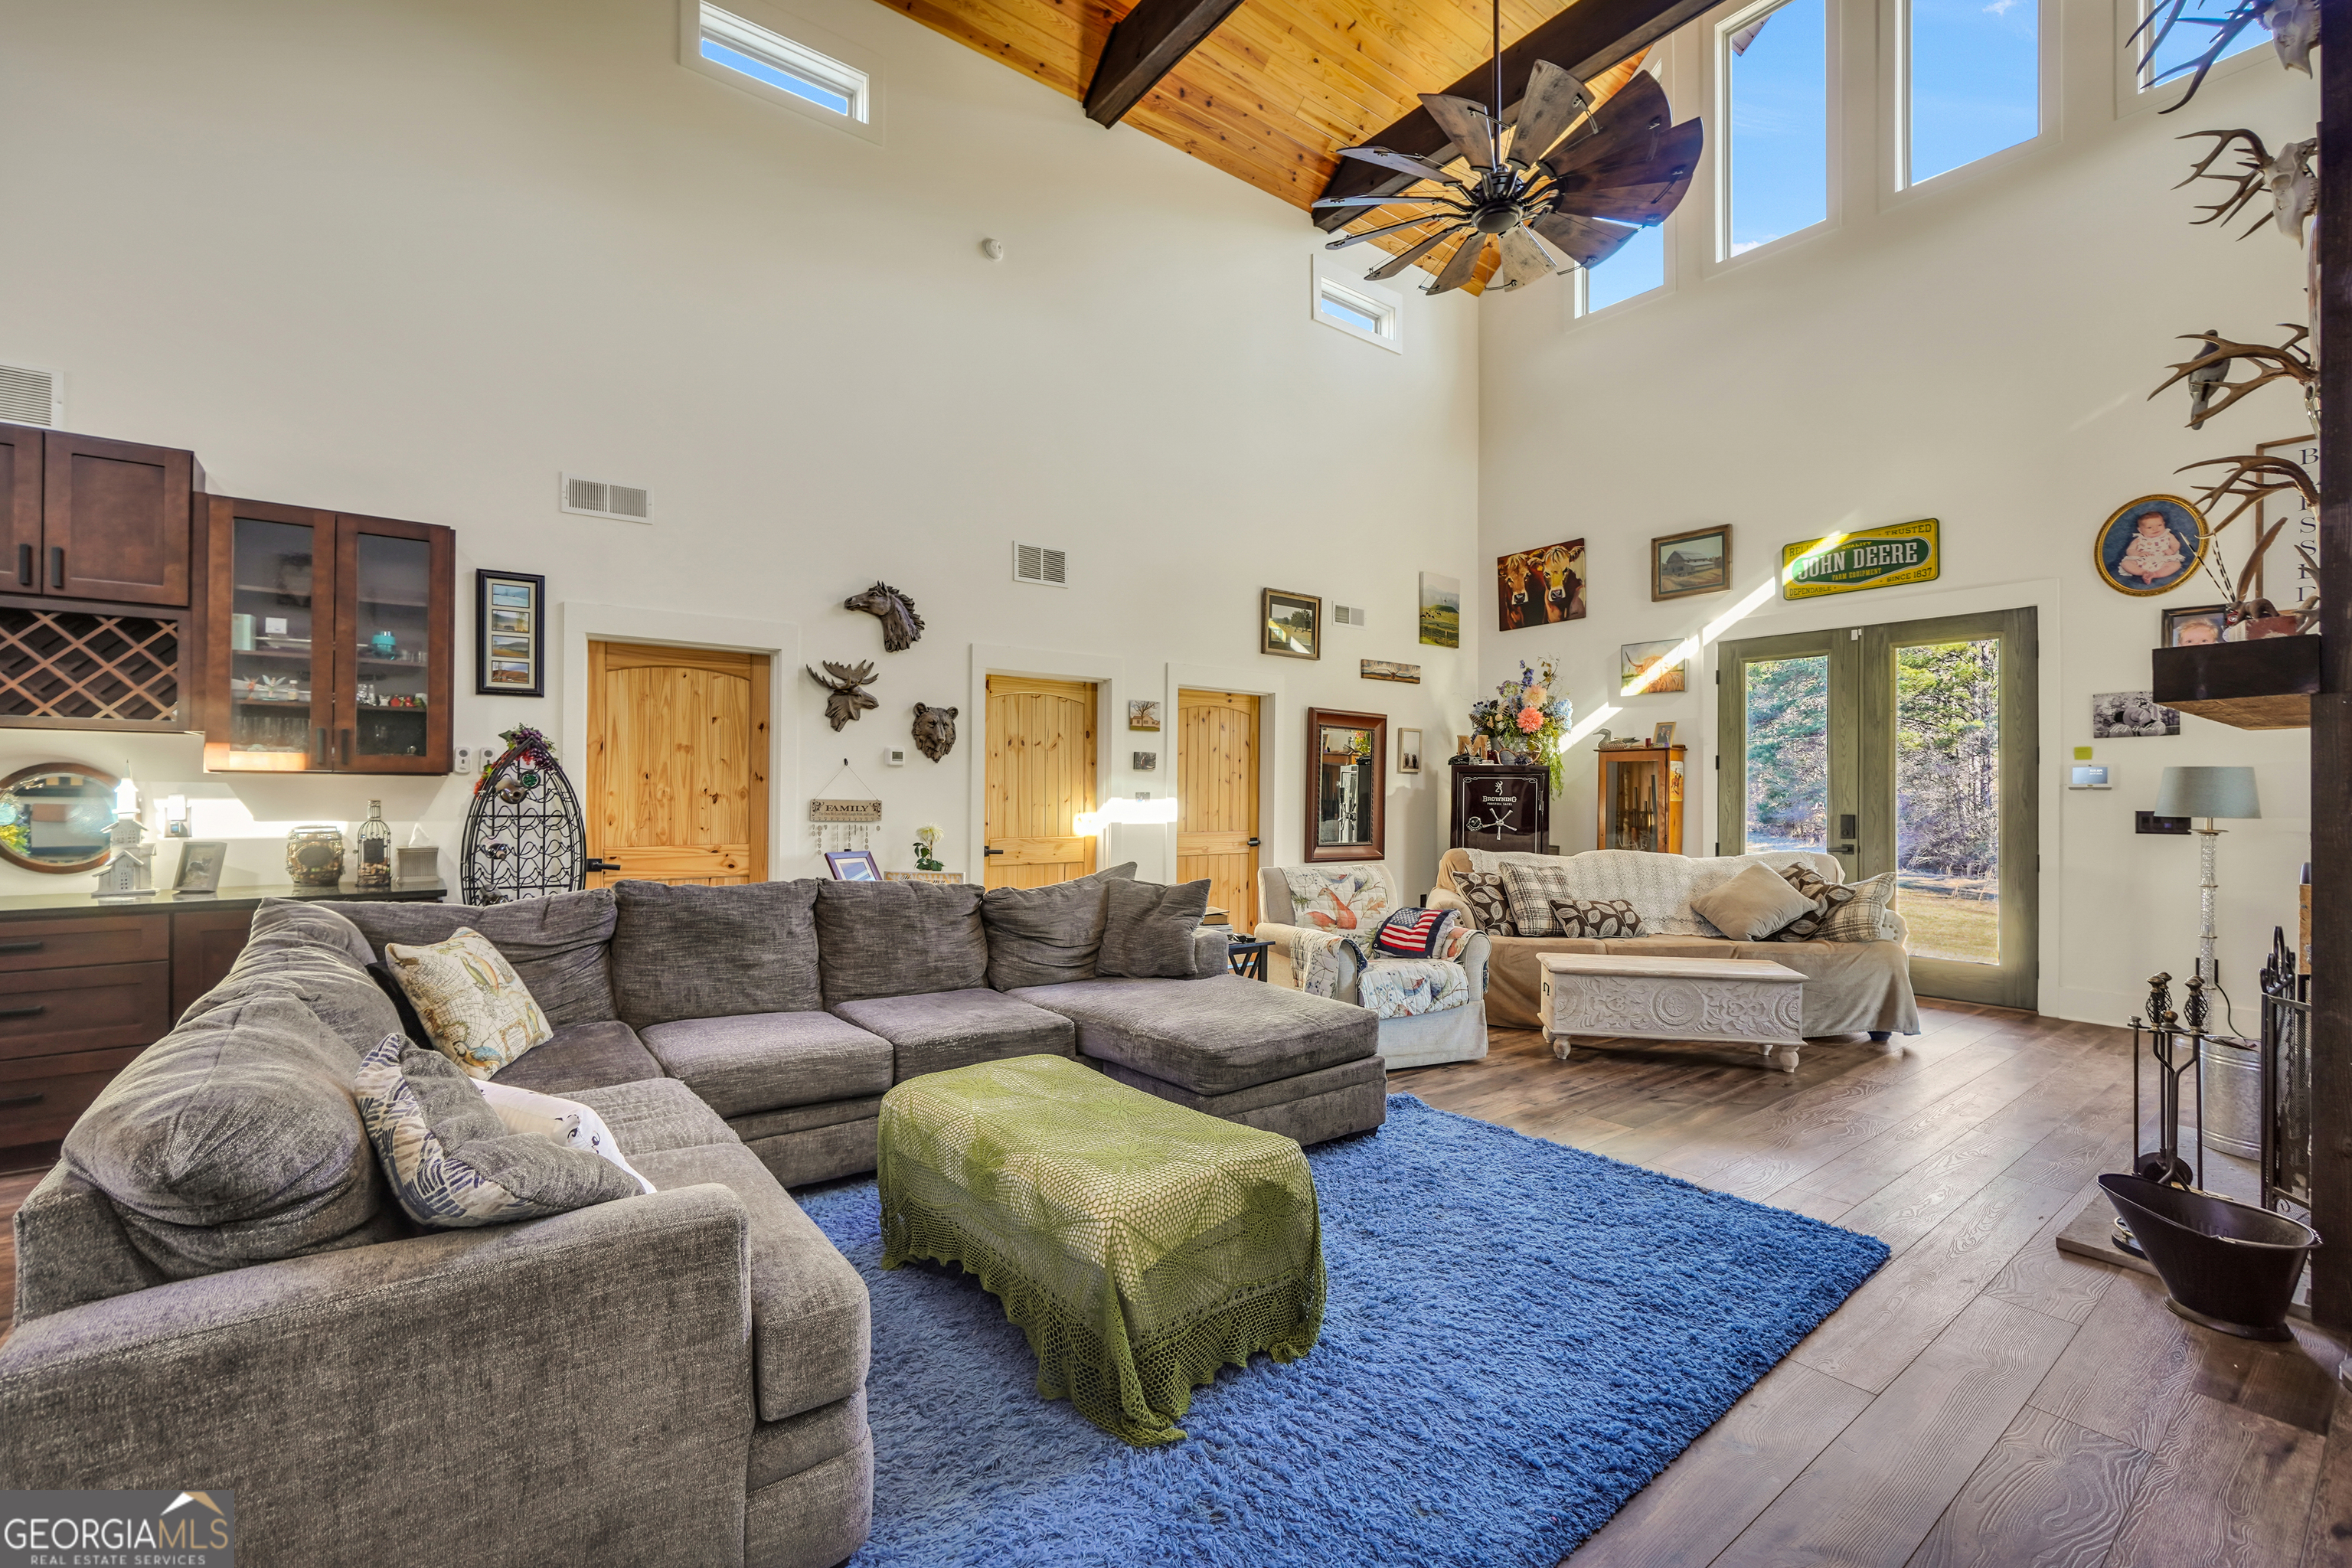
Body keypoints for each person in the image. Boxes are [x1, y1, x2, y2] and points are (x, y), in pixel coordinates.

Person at [2118, 511, 2185, 587]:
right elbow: (2130, 550)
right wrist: (2138, 554)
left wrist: (2172, 550)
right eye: (2150, 527)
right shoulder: (2139, 539)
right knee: (2126, 564)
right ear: (2140, 530)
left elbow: (2175, 544)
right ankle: (2144, 573)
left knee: (2175, 565)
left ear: (2164, 524)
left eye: (2159, 525)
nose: (2155, 529)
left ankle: (2155, 574)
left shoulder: (2167, 535)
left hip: (2163, 559)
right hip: (2142, 561)